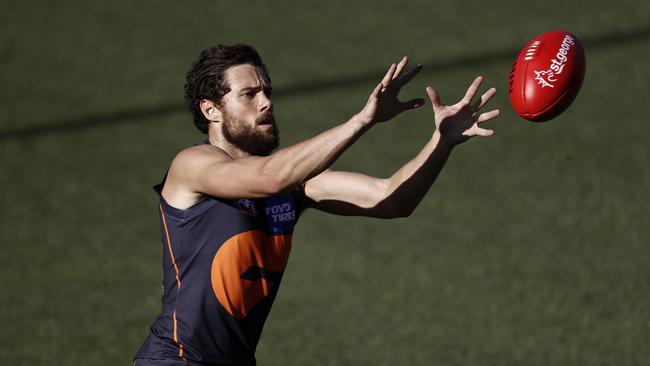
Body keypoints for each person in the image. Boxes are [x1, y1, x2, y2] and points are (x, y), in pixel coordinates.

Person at [133, 44, 500, 366]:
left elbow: (390, 198)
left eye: (267, 91)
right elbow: (268, 178)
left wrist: (442, 142)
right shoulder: (192, 166)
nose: (266, 102)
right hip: (175, 359)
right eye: (249, 94)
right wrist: (363, 119)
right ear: (212, 110)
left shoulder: (295, 184)